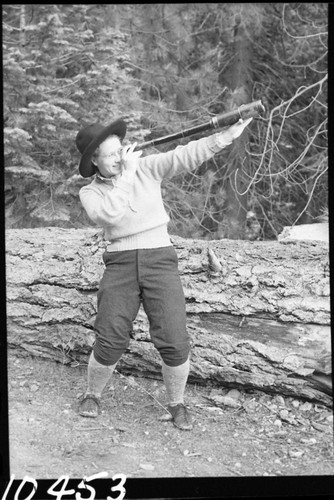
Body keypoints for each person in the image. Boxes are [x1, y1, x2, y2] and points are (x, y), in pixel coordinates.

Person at [75, 115, 252, 431]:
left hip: (160, 259)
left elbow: (184, 155)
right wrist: (128, 174)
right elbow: (110, 214)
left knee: (173, 338)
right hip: (120, 265)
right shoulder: (90, 193)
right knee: (110, 337)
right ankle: (92, 394)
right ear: (94, 161)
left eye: (121, 150)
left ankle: (177, 404)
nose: (120, 157)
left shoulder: (146, 167)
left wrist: (225, 136)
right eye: (111, 155)